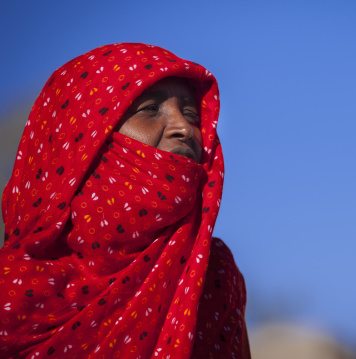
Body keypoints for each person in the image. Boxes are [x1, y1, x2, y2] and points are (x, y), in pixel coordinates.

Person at [0, 43, 250, 358]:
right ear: (81, 142)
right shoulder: (10, 290)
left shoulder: (211, 275)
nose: (185, 128)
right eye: (149, 110)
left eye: (190, 113)